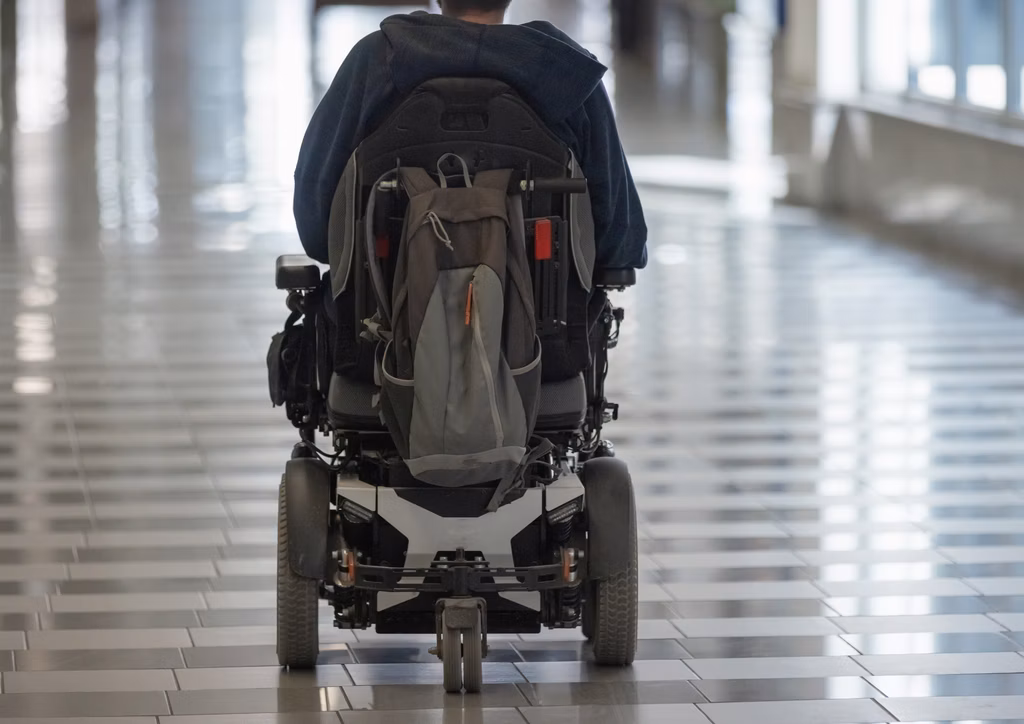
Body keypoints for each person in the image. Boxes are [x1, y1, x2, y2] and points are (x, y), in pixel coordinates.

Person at [294, 0, 647, 271]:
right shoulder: (568, 70)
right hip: (548, 340)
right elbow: (619, 234)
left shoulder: (373, 63)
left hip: (380, 332)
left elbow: (317, 220)